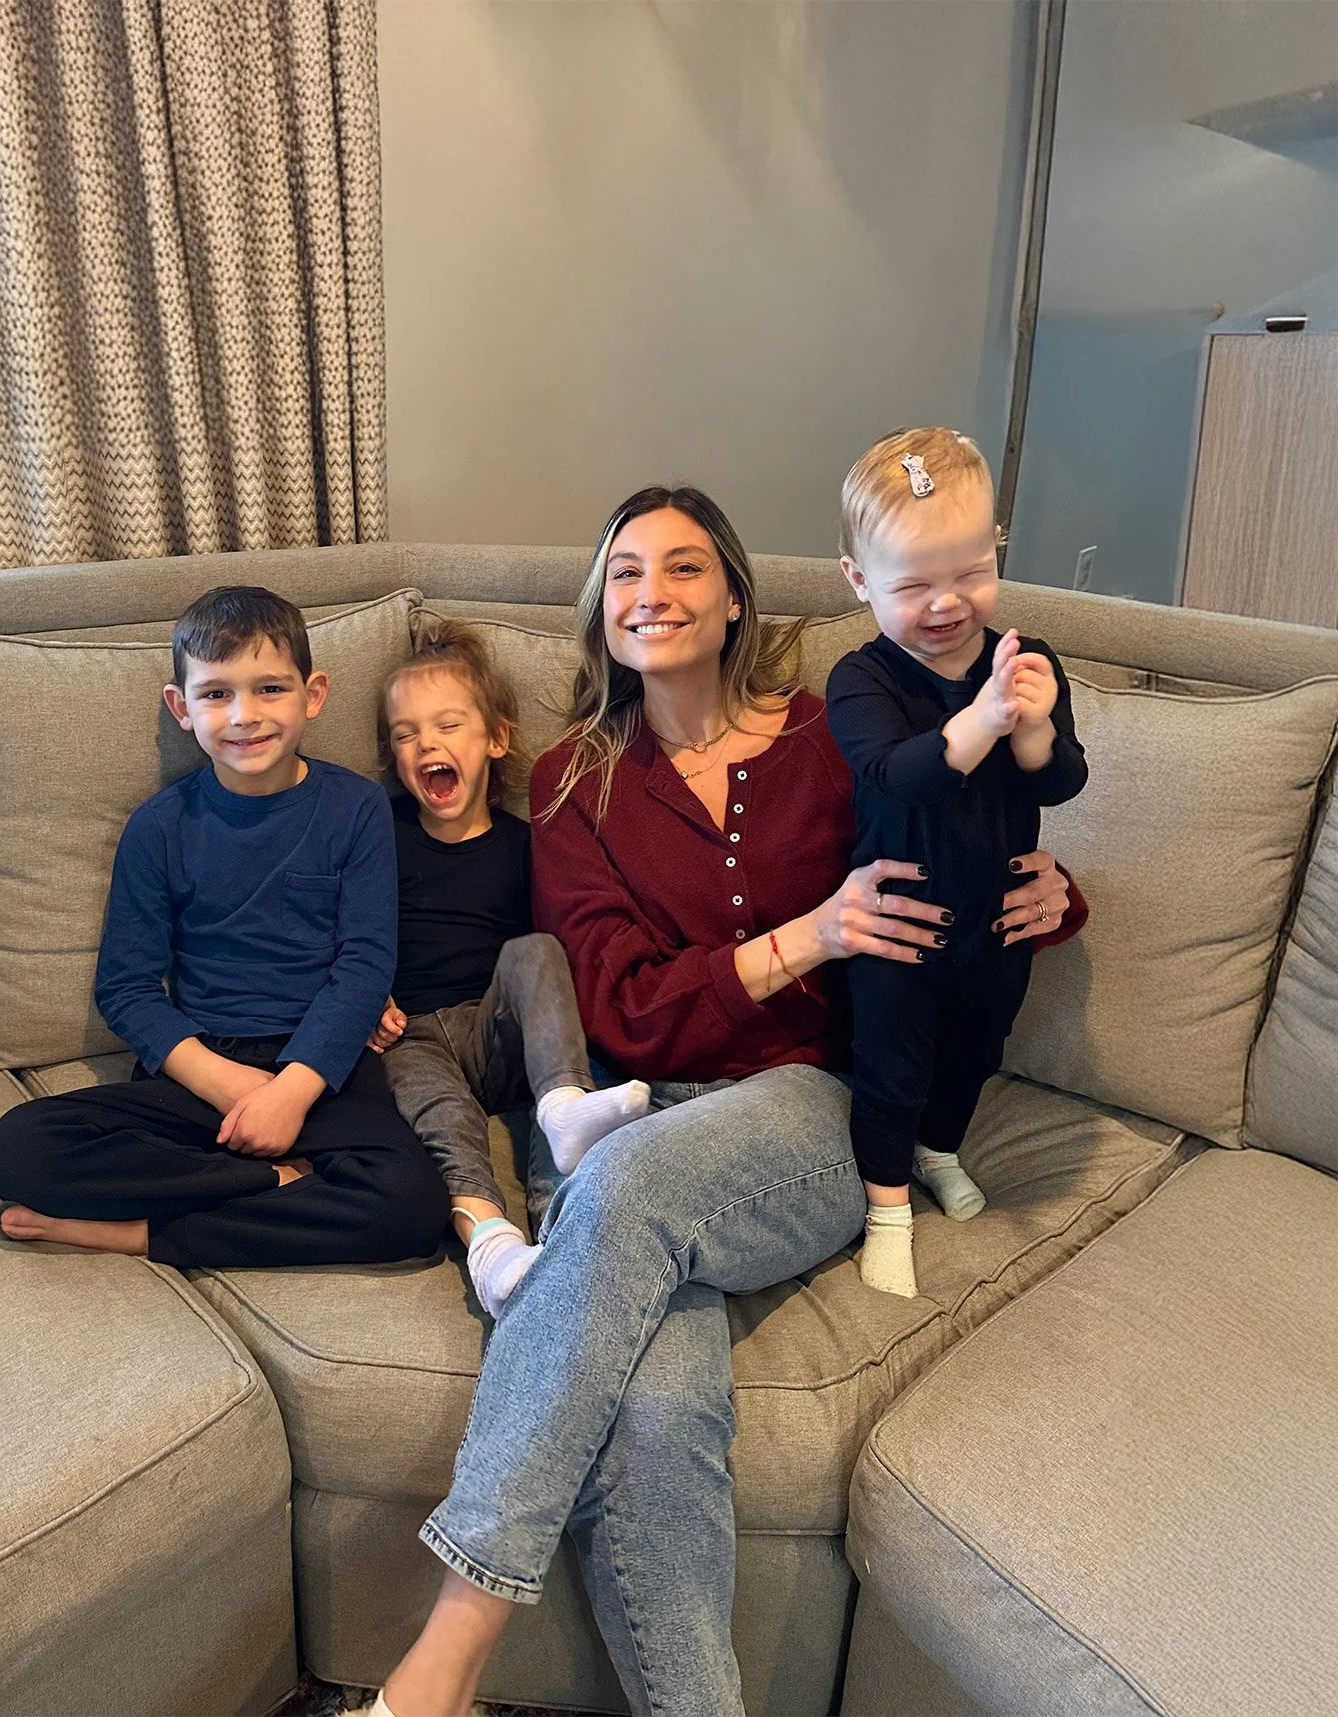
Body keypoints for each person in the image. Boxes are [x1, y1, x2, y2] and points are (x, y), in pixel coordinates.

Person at [361, 489, 1083, 1717]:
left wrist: (1049, 894)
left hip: (796, 1106)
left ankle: (440, 1668)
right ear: (604, 611)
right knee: (651, 1418)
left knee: (626, 1186)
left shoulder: (829, 734)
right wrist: (809, 935)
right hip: (614, 1102)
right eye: (627, 570)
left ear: (734, 595)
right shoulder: (578, 784)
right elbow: (623, 1010)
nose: (654, 590)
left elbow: (962, 829)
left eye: (685, 566)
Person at [0, 586, 449, 1269]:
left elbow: (363, 968)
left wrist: (289, 1092)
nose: (244, 716)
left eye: (268, 689)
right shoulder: (158, 826)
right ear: (182, 707)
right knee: (15, 1147)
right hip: (200, 1072)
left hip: (323, 1069)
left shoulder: (356, 809)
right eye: (216, 694)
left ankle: (143, 1233)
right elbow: (127, 988)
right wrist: (231, 1087)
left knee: (410, 1205)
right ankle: (277, 1182)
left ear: (312, 694)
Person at [826, 428, 1088, 1298]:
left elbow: (1060, 782)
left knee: (977, 1046)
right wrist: (981, 718)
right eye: (912, 585)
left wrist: (1039, 725)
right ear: (859, 581)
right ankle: (887, 1208)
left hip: (998, 921)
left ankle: (941, 1148)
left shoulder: (1028, 661)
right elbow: (899, 777)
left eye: (970, 573)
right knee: (891, 1066)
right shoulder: (861, 680)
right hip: (897, 926)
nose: (946, 604)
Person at [366, 619, 650, 1316]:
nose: (425, 743)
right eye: (405, 734)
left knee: (537, 951)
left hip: (498, 1031)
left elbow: (566, 946)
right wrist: (362, 997)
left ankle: (562, 1107)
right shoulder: (379, 832)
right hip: (410, 1034)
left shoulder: (531, 843)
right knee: (440, 1113)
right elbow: (336, 924)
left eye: (447, 725)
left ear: (494, 738)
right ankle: (491, 1245)